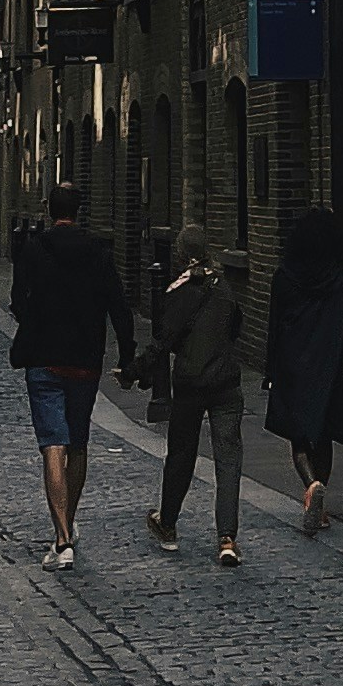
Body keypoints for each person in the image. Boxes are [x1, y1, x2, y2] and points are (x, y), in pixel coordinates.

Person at [8, 179, 138, 569]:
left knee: (52, 445)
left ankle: (62, 537)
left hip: (44, 358)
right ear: (78, 210)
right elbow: (119, 306)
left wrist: (34, 322)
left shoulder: (33, 249)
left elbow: (18, 300)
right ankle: (67, 524)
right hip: (85, 359)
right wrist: (128, 358)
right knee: (78, 443)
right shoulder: (97, 250)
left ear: (50, 210)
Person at [144, 228, 247, 564]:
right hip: (226, 383)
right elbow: (235, 328)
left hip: (191, 383)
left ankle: (168, 523)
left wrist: (135, 370)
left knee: (182, 455)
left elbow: (166, 336)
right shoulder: (225, 287)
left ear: (182, 253)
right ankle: (227, 538)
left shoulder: (181, 290)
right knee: (228, 461)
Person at [262, 202, 343, 537]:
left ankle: (311, 484)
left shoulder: (285, 277)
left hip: (292, 363)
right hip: (329, 365)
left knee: (298, 435)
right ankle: (322, 499)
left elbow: (274, 326)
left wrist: (270, 369)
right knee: (324, 434)